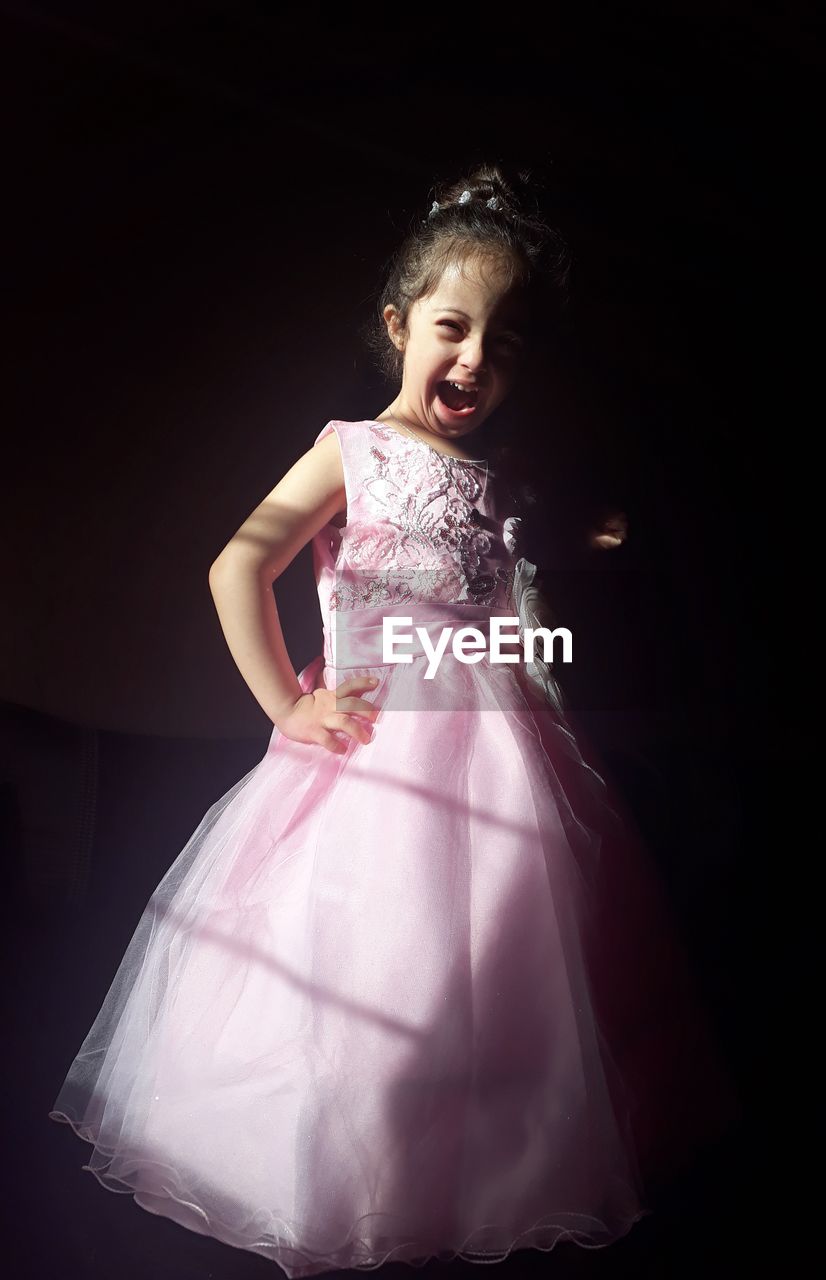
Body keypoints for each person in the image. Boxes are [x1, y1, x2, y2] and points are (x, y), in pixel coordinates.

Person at [48, 163, 734, 1277]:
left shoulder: (503, 478)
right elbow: (241, 563)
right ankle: (357, 1182)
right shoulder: (349, 450)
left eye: (505, 340)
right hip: (381, 760)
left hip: (509, 756)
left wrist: (567, 532)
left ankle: (473, 1177)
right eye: (453, 326)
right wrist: (289, 702)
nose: (472, 357)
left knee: (511, 976)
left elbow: (499, 564)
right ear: (398, 324)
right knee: (378, 974)